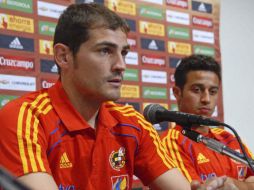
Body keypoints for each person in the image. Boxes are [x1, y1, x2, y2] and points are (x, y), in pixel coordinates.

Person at [0, 3, 232, 190]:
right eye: (105, 51)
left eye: (124, 53)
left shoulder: (132, 123)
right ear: (63, 56)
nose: (121, 65)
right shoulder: (24, 118)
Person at [161, 54, 254, 189]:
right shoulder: (170, 143)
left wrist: (236, 185)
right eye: (197, 90)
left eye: (212, 91)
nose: (206, 99)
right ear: (177, 93)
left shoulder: (228, 137)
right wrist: (247, 183)